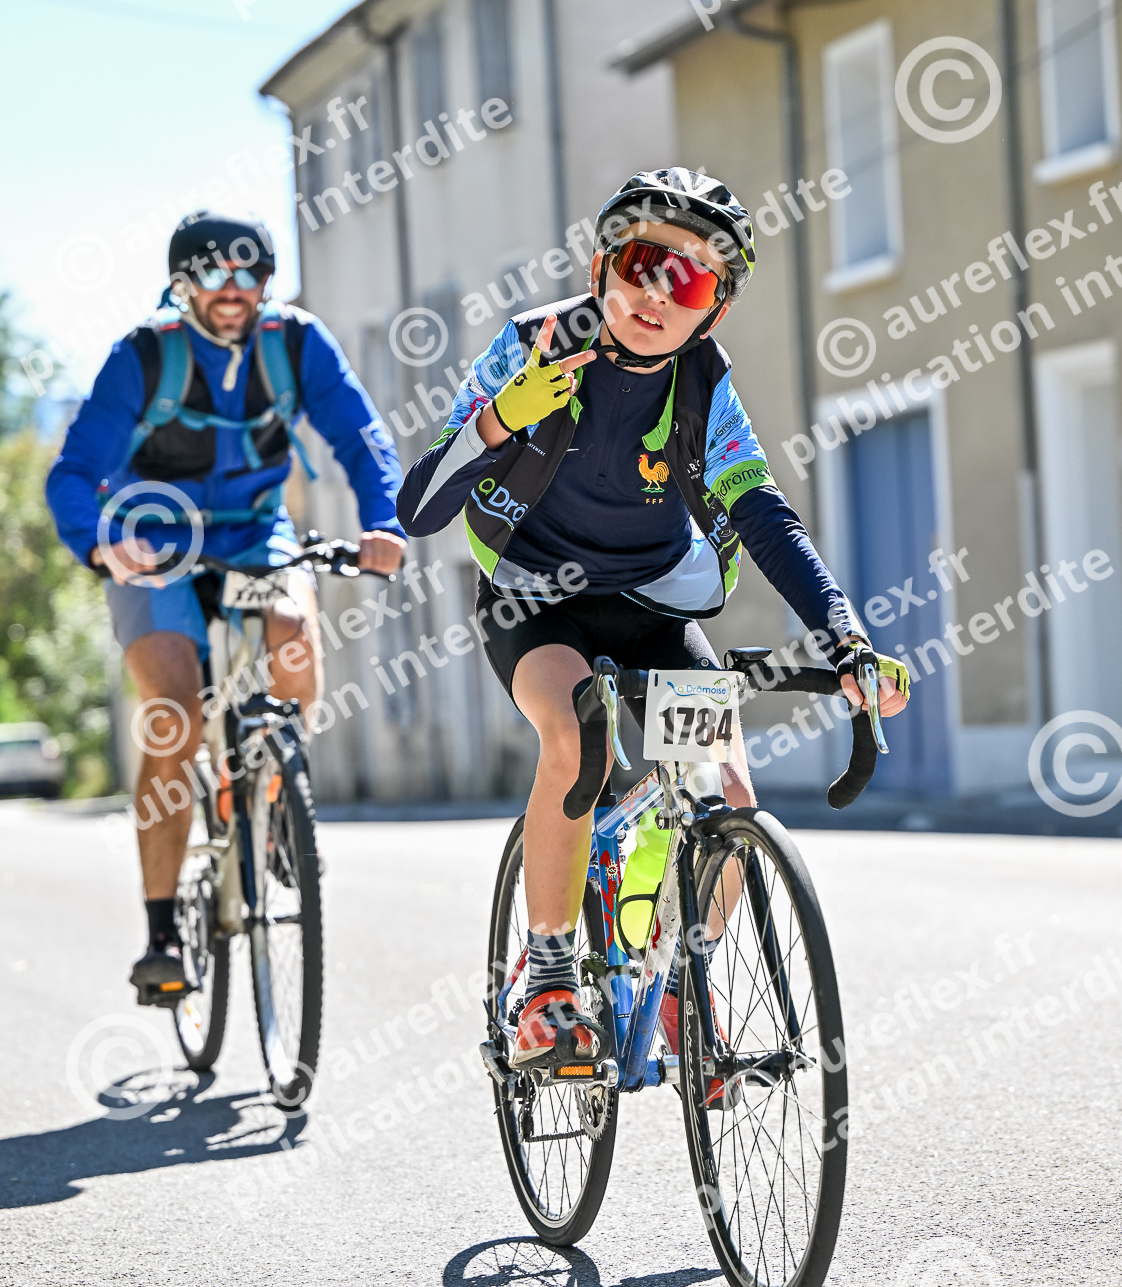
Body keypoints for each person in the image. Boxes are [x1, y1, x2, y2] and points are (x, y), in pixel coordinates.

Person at [396, 168, 907, 1071]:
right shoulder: (534, 346)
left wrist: (846, 638)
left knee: (728, 791)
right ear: (602, 268)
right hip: (536, 601)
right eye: (643, 264)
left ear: (715, 309)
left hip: (655, 606)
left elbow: (765, 516)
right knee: (577, 738)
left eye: (694, 279)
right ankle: (549, 981)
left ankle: (674, 977)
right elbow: (420, 506)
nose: (659, 294)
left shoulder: (706, 385)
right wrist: (501, 419)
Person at [47, 212, 406, 1002]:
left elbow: (361, 438)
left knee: (295, 641)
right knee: (174, 713)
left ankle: (273, 805)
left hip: (254, 536)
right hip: (153, 543)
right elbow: (72, 472)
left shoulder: (296, 343)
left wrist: (384, 521)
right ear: (182, 285)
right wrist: (103, 542)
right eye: (213, 274)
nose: (234, 290)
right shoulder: (144, 356)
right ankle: (162, 935)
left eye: (251, 274)